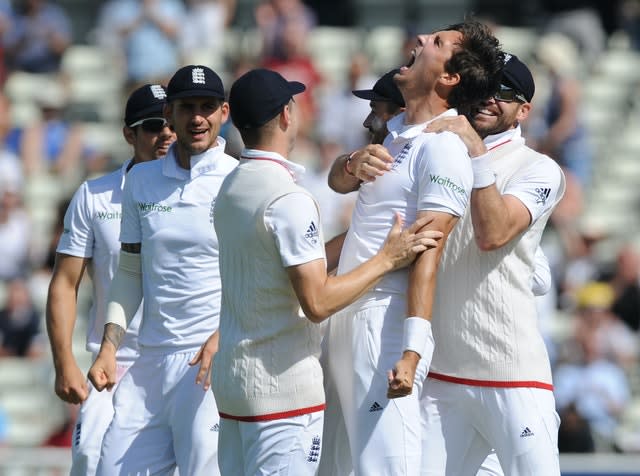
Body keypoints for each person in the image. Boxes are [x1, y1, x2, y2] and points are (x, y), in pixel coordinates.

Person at [211, 67, 440, 476]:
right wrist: (386, 258)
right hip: (283, 394)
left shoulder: (230, 186)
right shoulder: (288, 198)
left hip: (234, 389)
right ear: (286, 115)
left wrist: (362, 238)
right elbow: (317, 302)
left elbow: (285, 258)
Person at [324, 20, 505, 475]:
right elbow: (339, 182)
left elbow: (430, 252)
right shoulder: (398, 130)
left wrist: (411, 351)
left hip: (383, 327)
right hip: (344, 316)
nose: (421, 39)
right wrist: (350, 163)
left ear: (449, 78)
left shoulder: (443, 148)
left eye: (437, 43)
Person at [416, 54, 566, 474]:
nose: (489, 99)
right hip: (443, 376)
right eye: (482, 88)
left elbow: (493, 234)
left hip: (514, 376)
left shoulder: (539, 169)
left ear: (524, 110)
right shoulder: (441, 153)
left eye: (504, 93)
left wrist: (475, 151)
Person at [87, 64, 236, 476]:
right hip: (148, 365)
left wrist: (225, 335)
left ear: (224, 112)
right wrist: (109, 347)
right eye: (188, 107)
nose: (198, 118)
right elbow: (131, 271)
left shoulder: (239, 179)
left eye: (208, 107)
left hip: (208, 365)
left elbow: (263, 275)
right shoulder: (142, 181)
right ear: (169, 112)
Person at [45, 83, 175, 476]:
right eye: (153, 125)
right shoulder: (94, 196)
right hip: (113, 363)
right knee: (88, 459)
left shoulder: (203, 190)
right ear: (128, 135)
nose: (167, 133)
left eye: (171, 123)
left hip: (181, 358)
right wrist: (64, 361)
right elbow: (65, 283)